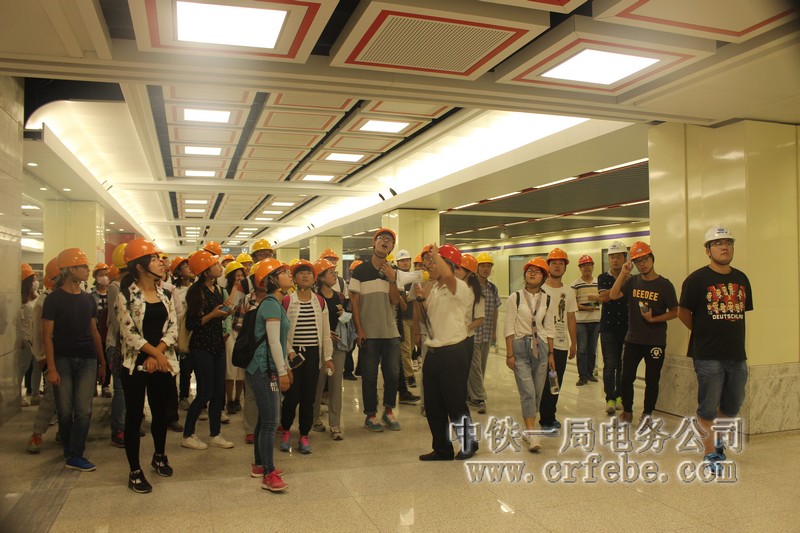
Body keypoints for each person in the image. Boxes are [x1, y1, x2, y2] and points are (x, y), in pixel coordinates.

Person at [678, 226, 752, 475]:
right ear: (708, 250)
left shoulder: (741, 279)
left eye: (728, 243)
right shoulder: (696, 280)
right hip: (707, 354)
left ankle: (717, 437)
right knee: (708, 406)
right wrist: (701, 331)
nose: (724, 247)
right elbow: (682, 312)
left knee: (732, 404)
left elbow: (740, 313)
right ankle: (710, 452)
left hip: (736, 353)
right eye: (718, 243)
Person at [115, 239, 179, 493]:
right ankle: (134, 471)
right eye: (153, 259)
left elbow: (173, 328)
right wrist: (154, 354)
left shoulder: (165, 294)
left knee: (160, 413)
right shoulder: (125, 295)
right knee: (133, 417)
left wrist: (158, 355)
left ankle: (159, 456)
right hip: (134, 364)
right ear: (140, 267)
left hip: (160, 362)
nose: (161, 263)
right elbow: (129, 334)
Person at [43, 248, 106, 472]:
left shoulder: (88, 299)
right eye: (83, 267)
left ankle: (75, 454)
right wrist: (51, 367)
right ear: (70, 270)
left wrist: (102, 362)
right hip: (62, 359)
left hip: (87, 358)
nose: (87, 271)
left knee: (84, 410)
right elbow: (47, 336)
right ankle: (69, 450)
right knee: (65, 409)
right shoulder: (53, 299)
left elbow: (94, 332)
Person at [609, 241, 679, 426]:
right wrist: (623, 273)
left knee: (652, 379)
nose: (642, 264)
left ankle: (647, 414)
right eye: (638, 261)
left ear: (652, 259)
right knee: (626, 377)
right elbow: (613, 295)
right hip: (633, 339)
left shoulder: (665, 285)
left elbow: (675, 311)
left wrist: (654, 319)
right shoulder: (632, 281)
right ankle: (627, 412)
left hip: (655, 340)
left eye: (645, 259)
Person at [417, 244, 477, 461]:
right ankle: (442, 449)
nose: (429, 266)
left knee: (455, 403)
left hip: (453, 353)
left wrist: (436, 254)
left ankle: (469, 443)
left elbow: (449, 277)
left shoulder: (459, 287)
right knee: (433, 405)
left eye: (434, 263)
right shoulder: (434, 288)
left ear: (449, 265)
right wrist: (420, 300)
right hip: (433, 352)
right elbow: (426, 320)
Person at [349, 229, 404, 432]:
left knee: (392, 375)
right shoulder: (360, 271)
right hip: (369, 334)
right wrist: (359, 330)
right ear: (374, 243)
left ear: (392, 247)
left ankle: (388, 412)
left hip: (390, 332)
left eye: (390, 240)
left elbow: (395, 301)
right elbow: (355, 303)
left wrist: (392, 279)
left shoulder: (394, 272)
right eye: (382, 238)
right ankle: (370, 415)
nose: (385, 241)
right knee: (370, 377)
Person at [181, 250, 235, 450]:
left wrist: (226, 313)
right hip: (201, 347)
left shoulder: (218, 290)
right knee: (204, 392)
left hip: (218, 345)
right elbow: (192, 324)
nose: (220, 267)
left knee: (218, 392)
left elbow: (218, 314)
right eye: (215, 265)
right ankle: (188, 434)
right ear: (205, 272)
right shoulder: (196, 292)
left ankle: (215, 433)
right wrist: (213, 314)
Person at [247, 258, 292, 492]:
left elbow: (280, 342)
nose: (289, 274)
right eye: (283, 272)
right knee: (271, 422)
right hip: (265, 369)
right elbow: (274, 342)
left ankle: (259, 464)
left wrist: (285, 366)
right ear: (271, 279)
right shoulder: (272, 305)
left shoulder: (275, 302)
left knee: (264, 419)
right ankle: (268, 473)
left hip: (265, 367)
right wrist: (281, 372)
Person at [279, 260, 333, 454]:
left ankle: (304, 435)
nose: (305, 276)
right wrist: (288, 351)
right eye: (301, 273)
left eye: (308, 273)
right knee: (291, 397)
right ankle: (286, 430)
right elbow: (281, 333)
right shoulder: (287, 301)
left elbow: (325, 332)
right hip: (293, 355)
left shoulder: (320, 301)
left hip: (312, 355)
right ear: (294, 279)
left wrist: (328, 357)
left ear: (314, 278)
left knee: (308, 397)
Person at [504, 258, 555, 453]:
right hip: (520, 347)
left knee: (538, 393)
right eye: (530, 271)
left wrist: (551, 353)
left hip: (541, 348)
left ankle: (528, 430)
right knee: (528, 391)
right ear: (524, 275)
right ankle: (533, 434)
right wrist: (509, 354)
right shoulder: (515, 297)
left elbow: (549, 327)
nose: (533, 274)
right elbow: (509, 326)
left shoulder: (547, 299)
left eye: (537, 271)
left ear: (543, 277)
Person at [538, 248, 577, 432]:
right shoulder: (540, 289)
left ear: (565, 267)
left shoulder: (569, 291)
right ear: (548, 266)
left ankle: (548, 416)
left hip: (560, 343)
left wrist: (573, 342)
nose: (557, 266)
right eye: (554, 263)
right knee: (540, 382)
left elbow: (571, 317)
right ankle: (541, 415)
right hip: (541, 342)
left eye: (561, 263)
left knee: (555, 382)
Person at [27, 258, 60, 454]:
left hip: (71, 355)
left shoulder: (76, 296)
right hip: (51, 357)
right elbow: (37, 332)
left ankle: (64, 432)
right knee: (50, 398)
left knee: (71, 400)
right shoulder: (45, 299)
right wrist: (40, 357)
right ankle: (37, 434)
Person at [312, 258, 347, 440]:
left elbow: (348, 319)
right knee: (318, 384)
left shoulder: (339, 296)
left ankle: (335, 424)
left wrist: (344, 314)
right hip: (319, 346)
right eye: (331, 273)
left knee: (336, 385)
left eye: (335, 272)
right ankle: (314, 418)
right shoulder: (314, 298)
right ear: (321, 277)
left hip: (338, 346)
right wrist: (325, 332)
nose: (335, 276)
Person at [468, 252, 501, 414]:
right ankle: (480, 398)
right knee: (475, 367)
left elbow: (495, 310)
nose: (486, 269)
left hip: (486, 332)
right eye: (483, 266)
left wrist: (494, 331)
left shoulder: (492, 288)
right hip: (472, 333)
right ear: (477, 268)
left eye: (489, 266)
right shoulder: (470, 286)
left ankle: (470, 395)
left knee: (480, 366)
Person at [598, 241, 628, 415]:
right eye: (611, 257)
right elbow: (604, 298)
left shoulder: (632, 278)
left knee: (623, 365)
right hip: (607, 328)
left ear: (625, 258)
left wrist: (611, 293)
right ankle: (610, 398)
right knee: (610, 364)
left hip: (627, 328)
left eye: (618, 257)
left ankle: (619, 396)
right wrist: (613, 293)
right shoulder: (603, 277)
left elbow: (609, 295)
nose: (615, 260)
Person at [106, 243, 128, 447]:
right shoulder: (115, 287)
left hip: (132, 344)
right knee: (120, 388)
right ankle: (118, 429)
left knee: (130, 387)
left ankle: (128, 424)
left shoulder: (134, 286)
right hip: (117, 344)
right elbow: (116, 321)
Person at [223, 260, 248, 414]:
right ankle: (229, 400)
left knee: (241, 370)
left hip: (244, 332)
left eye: (242, 275)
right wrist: (234, 288)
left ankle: (238, 399)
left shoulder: (248, 292)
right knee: (230, 369)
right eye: (236, 276)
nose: (239, 278)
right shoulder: (225, 291)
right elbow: (227, 308)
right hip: (231, 332)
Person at [572, 255, 601, 386]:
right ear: (580, 268)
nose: (587, 268)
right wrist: (586, 308)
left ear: (593, 267)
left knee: (592, 350)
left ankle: (590, 373)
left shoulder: (598, 282)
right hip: (581, 322)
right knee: (582, 349)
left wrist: (596, 298)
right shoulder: (575, 284)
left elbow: (604, 299)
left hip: (596, 321)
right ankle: (582, 376)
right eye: (583, 265)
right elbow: (572, 304)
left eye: (589, 265)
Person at [170, 256, 194, 410]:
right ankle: (175, 396)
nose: (190, 269)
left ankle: (184, 396)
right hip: (175, 332)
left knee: (187, 367)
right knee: (174, 367)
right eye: (186, 267)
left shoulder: (195, 288)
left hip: (190, 333)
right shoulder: (173, 290)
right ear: (178, 272)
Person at [395, 249, 417, 387]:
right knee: (405, 349)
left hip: (415, 317)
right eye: (402, 261)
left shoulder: (415, 278)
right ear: (397, 263)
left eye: (407, 260)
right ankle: (409, 376)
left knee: (411, 348)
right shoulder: (396, 279)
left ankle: (403, 373)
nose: (405, 263)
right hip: (402, 318)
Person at [91, 263, 112, 398]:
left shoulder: (112, 292)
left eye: (106, 275)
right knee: (94, 359)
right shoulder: (91, 295)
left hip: (108, 332)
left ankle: (105, 385)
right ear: (95, 277)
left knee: (107, 358)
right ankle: (92, 384)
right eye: (101, 275)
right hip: (94, 331)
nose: (104, 277)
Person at [19, 264, 38, 406]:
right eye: (33, 279)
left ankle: (35, 394)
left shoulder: (37, 296)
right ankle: (18, 395)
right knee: (23, 368)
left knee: (38, 367)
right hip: (24, 338)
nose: (36, 282)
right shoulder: (20, 300)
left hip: (36, 337)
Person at [342, 259, 362, 381]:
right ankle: (348, 371)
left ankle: (359, 368)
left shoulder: (364, 285)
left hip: (361, 316)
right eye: (353, 271)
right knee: (350, 346)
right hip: (349, 318)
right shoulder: (346, 284)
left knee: (361, 344)